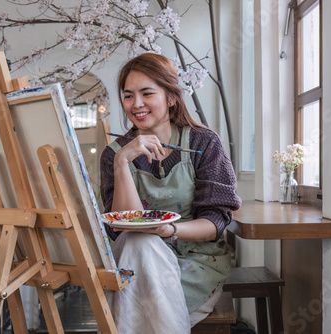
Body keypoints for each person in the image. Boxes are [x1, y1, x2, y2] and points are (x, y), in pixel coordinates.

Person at [100, 53, 242, 333]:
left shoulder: (204, 142)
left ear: (171, 97)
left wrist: (170, 230)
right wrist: (122, 163)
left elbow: (215, 223)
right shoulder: (114, 154)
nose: (136, 104)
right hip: (135, 260)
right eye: (128, 96)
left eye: (147, 93)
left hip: (194, 264)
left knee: (135, 289)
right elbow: (122, 228)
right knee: (139, 244)